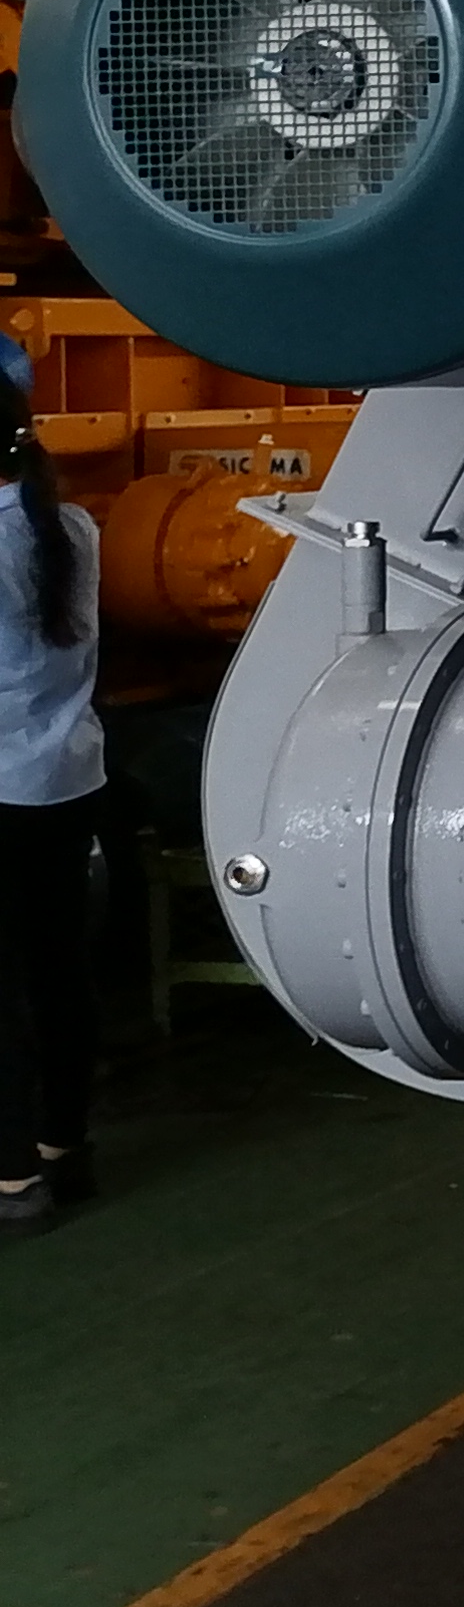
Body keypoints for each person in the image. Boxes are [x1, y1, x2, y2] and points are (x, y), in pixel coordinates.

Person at [0, 362, 104, 1234]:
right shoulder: (71, 526)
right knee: (58, 969)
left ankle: (10, 1178)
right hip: (66, 780)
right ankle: (65, 1149)